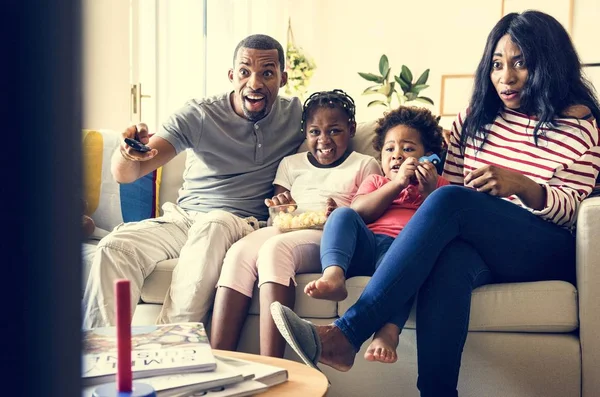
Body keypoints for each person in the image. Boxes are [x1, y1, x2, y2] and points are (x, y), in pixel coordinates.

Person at [269, 10, 600, 397]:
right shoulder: (475, 119)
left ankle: (346, 334)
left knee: (452, 201)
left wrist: (522, 185)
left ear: (549, 64)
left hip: (542, 245)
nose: (505, 78)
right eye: (496, 64)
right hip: (478, 244)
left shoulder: (580, 125)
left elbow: (572, 210)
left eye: (520, 63)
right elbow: (453, 191)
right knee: (451, 260)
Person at [83, 34, 305, 329]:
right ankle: (101, 360)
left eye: (267, 72)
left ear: (283, 78)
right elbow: (127, 174)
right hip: (184, 221)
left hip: (239, 224)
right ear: (231, 75)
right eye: (244, 71)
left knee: (214, 224)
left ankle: (171, 350)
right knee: (115, 248)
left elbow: (335, 136)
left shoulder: (297, 117)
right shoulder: (199, 114)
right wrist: (127, 153)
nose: (254, 83)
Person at [210, 90, 382, 357]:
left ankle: (273, 366)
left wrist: (340, 212)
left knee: (275, 250)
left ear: (351, 129)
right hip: (286, 227)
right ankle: (220, 359)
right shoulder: (291, 164)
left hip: (328, 236)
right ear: (305, 133)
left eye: (334, 131)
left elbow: (367, 213)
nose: (324, 140)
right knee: (238, 254)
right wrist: (282, 207)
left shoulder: (364, 164)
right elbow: (277, 214)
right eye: (315, 132)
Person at [304, 106, 449, 364]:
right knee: (342, 214)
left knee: (407, 269)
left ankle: (387, 332)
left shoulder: (440, 187)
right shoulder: (377, 182)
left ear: (428, 157)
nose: (397, 156)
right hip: (367, 246)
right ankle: (334, 276)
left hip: (400, 254)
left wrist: (429, 192)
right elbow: (360, 212)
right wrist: (396, 185)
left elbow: (438, 227)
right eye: (390, 149)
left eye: (408, 149)